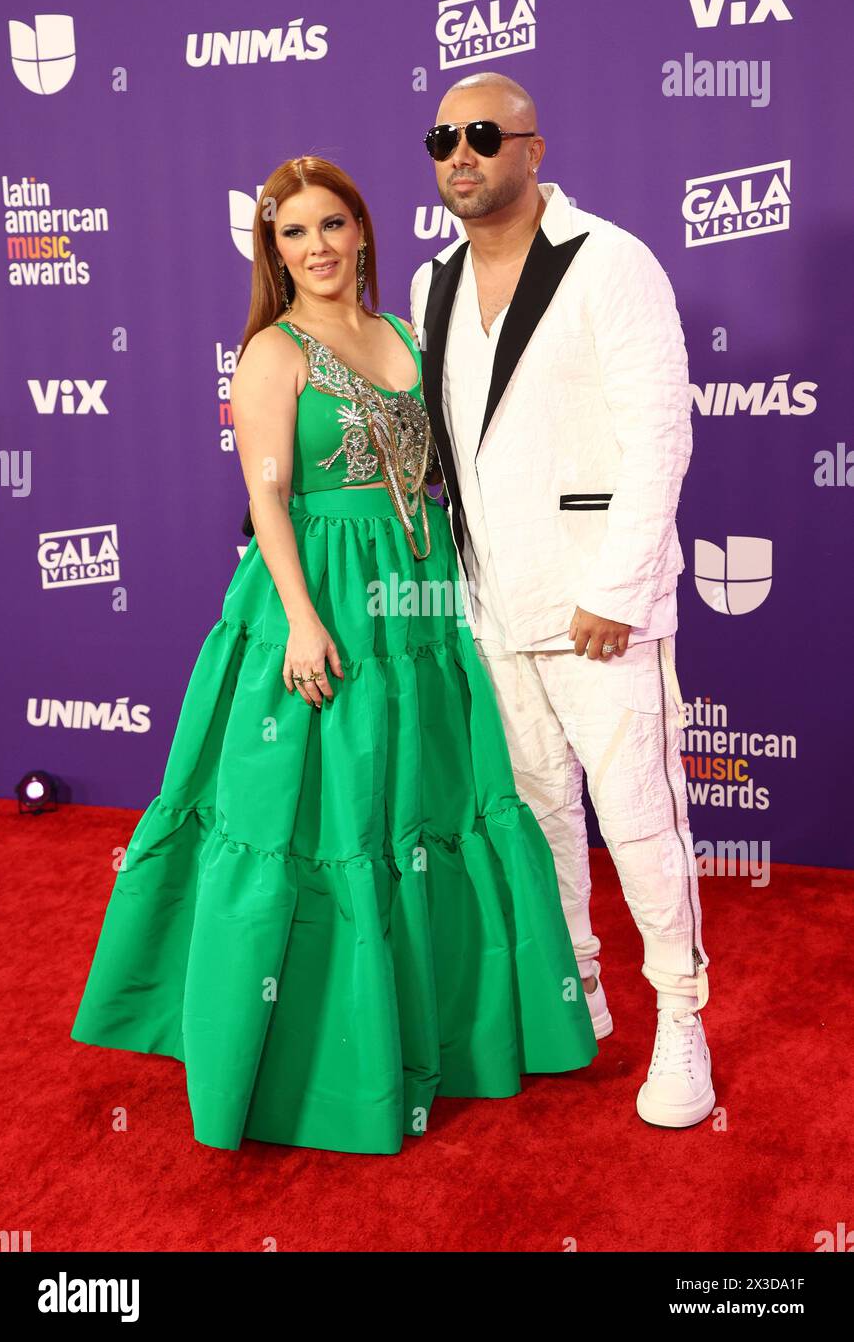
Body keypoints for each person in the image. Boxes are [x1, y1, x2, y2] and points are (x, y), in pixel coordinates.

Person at [70, 156, 598, 1155]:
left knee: (426, 805)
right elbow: (269, 495)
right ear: (273, 251)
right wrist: (304, 620)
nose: (315, 247)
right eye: (292, 233)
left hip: (419, 601)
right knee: (329, 815)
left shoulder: (403, 331)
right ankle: (317, 1062)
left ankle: (438, 1027)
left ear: (361, 231)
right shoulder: (274, 351)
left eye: (330, 225)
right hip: (321, 593)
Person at [410, 73, 715, 1129]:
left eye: (483, 135)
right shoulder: (430, 281)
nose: (460, 152)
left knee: (637, 822)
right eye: (442, 136)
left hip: (600, 614)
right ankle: (572, 992)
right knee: (539, 820)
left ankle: (679, 1017)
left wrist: (615, 589)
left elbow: (659, 438)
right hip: (494, 612)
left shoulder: (610, 262)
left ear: (533, 147)